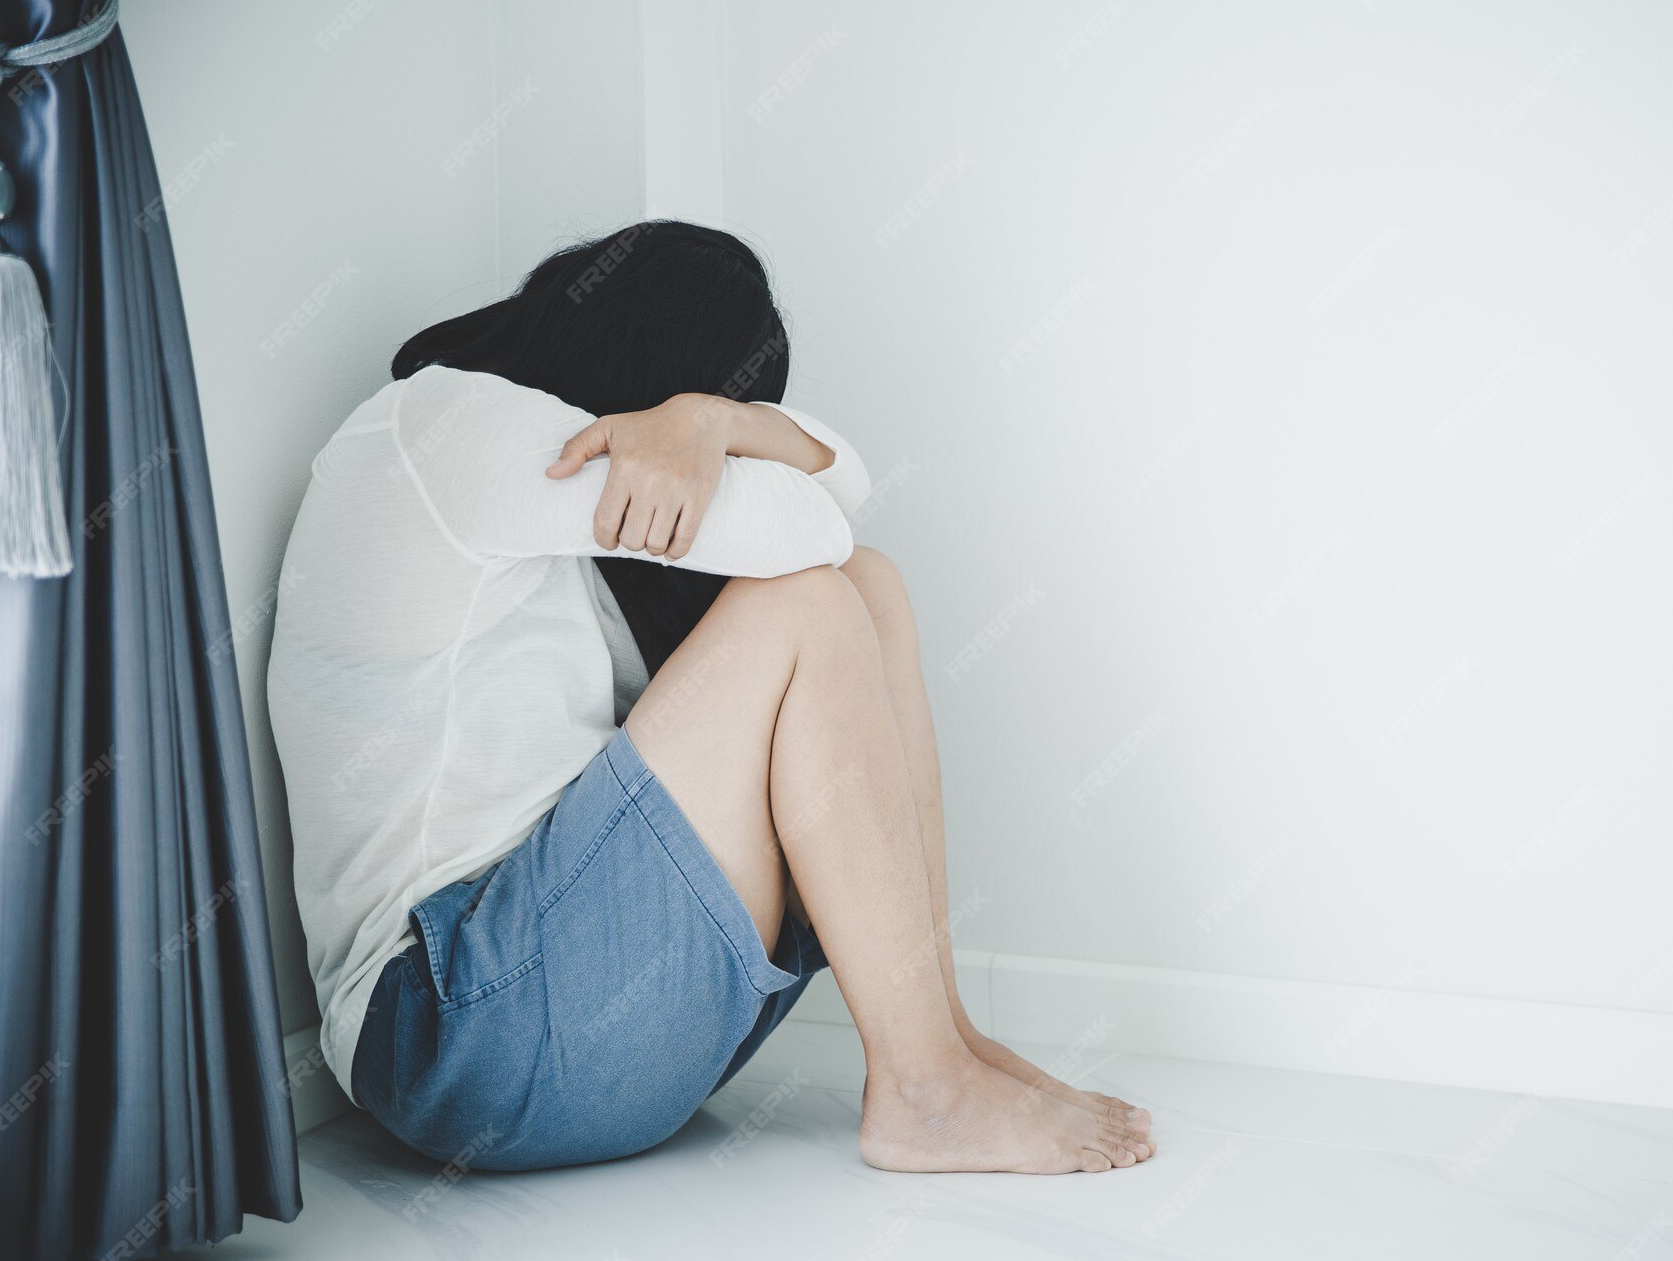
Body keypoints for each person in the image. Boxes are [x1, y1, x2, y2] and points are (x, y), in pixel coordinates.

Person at [267, 221, 1156, 1174]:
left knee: (871, 588)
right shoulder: (444, 426)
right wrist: (717, 427)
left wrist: (712, 423)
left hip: (572, 1020)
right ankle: (926, 1086)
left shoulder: (556, 499)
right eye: (703, 403)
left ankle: (940, 1037)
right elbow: (808, 524)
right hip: (451, 1036)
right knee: (811, 599)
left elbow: (839, 512)